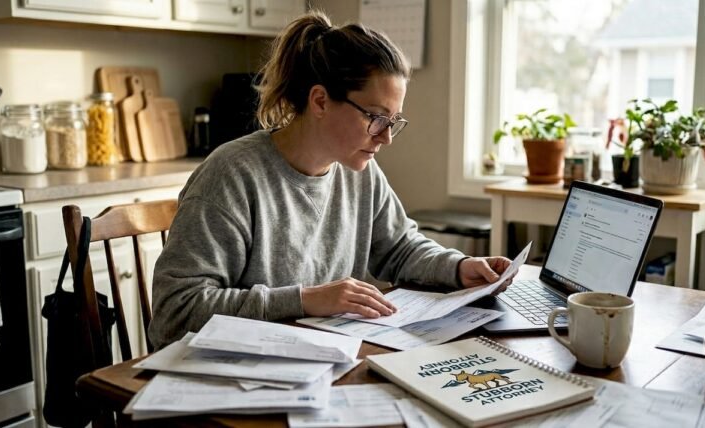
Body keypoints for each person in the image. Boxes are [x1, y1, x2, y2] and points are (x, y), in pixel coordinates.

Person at [148, 10, 514, 349]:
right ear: (320, 101)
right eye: (375, 117)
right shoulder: (232, 175)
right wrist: (306, 299)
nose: (386, 137)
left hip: (320, 360)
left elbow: (400, 248)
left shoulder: (360, 173)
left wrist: (458, 267)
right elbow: (175, 312)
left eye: (393, 122)